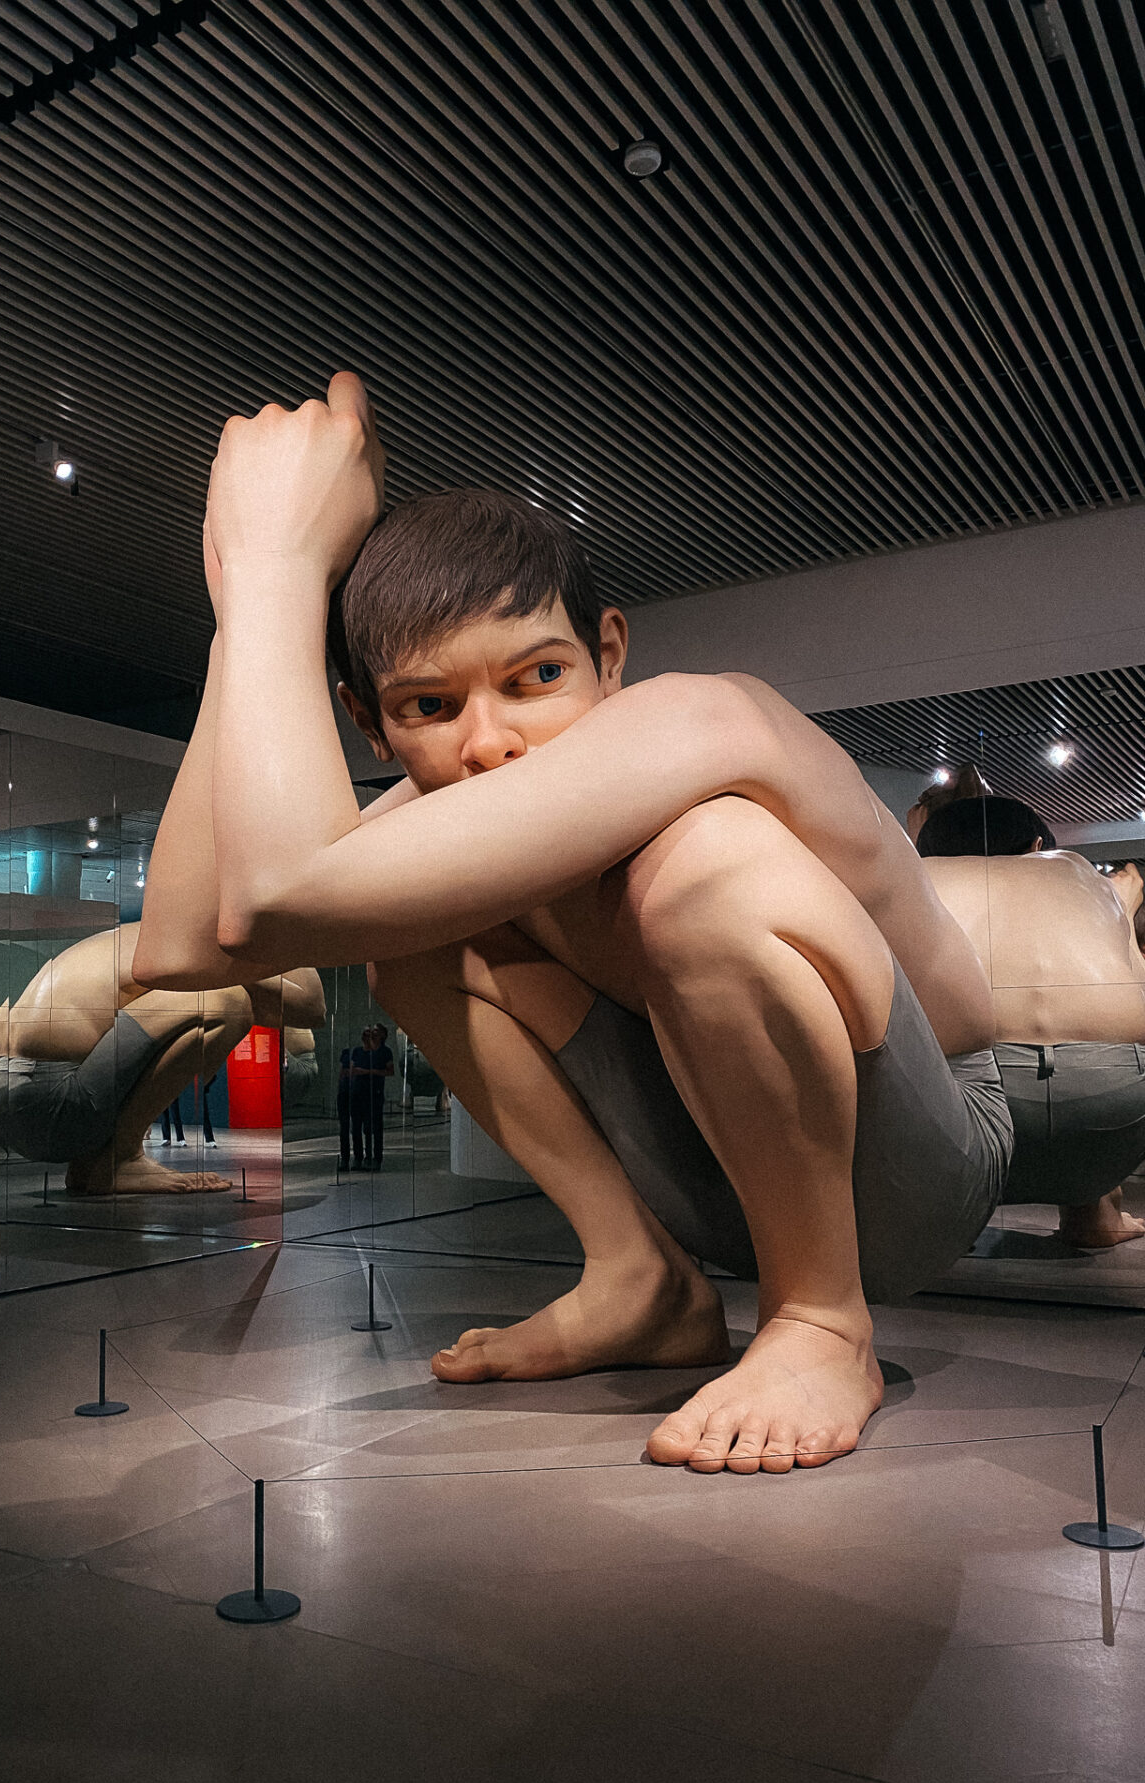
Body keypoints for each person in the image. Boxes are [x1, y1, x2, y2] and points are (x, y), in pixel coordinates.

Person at [135, 372, 1011, 1476]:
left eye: (537, 675)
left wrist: (276, 560)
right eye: (428, 707)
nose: (491, 742)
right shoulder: (445, 808)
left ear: (608, 652)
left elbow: (273, 897)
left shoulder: (697, 717)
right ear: (367, 721)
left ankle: (821, 1322)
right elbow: (180, 946)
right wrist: (254, 602)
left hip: (929, 1160)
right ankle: (639, 1280)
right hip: (721, 1164)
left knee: (704, 863)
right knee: (398, 924)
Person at [920, 793, 1145, 1248]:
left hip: (964, 1116)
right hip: (1118, 1106)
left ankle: (939, 1226)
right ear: (1038, 844)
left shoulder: (919, 880)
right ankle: (1095, 1214)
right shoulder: (1078, 872)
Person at [0, 923, 322, 1194]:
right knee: (227, 1003)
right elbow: (310, 1006)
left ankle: (92, 1163)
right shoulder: (194, 945)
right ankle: (121, 1159)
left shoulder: (135, 938)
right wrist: (286, 933)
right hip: (52, 1103)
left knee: (207, 1000)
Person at [349, 1022, 394, 1169]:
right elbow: (352, 1070)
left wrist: (371, 1072)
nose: (371, 1035)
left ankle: (375, 1158)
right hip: (358, 1093)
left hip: (375, 1094)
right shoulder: (358, 1051)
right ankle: (359, 1157)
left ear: (382, 1035)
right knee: (357, 1127)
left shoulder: (385, 1052)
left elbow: (390, 1071)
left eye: (375, 1032)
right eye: (368, 1033)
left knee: (373, 1128)